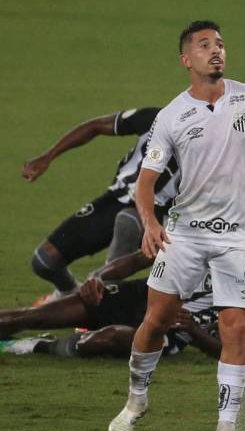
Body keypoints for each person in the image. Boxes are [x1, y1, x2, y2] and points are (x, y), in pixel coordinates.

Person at [106, 20, 245, 431]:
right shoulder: (172, 116)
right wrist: (150, 222)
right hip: (186, 234)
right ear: (186, 59)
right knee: (155, 321)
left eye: (219, 44)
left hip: (241, 236)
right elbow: (146, 181)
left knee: (236, 329)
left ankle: (226, 430)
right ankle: (137, 397)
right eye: (204, 45)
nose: (216, 51)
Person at [21, 106, 179, 301]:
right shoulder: (154, 118)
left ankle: (103, 302)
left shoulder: (209, 145)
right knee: (44, 262)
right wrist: (49, 156)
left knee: (127, 221)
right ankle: (68, 293)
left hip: (160, 216)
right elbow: (95, 126)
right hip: (116, 199)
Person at [0, 249, 219, 360]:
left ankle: (41, 345)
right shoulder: (186, 234)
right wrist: (97, 277)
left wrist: (193, 330)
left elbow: (227, 351)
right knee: (27, 317)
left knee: (103, 340)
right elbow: (135, 260)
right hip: (135, 296)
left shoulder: (237, 275)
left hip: (166, 332)